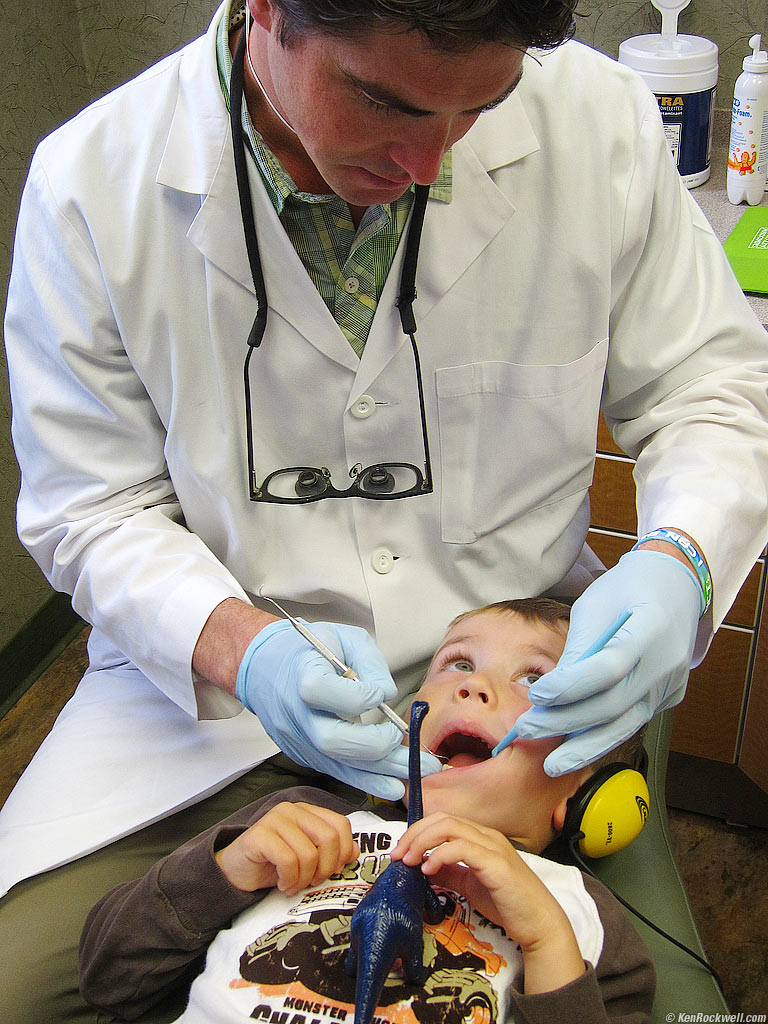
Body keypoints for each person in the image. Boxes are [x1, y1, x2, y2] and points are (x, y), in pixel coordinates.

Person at [2, 0, 768, 1015]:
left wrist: (683, 562)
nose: (428, 164)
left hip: (518, 692)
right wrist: (243, 648)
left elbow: (708, 390)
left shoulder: (601, 122)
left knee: (654, 997)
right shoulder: (91, 184)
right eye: (385, 102)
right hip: (216, 707)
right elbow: (92, 506)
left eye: (481, 108)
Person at [78, 599, 655, 1023]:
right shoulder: (296, 820)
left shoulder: (575, 913)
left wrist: (547, 942)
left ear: (582, 790)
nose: (474, 686)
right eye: (458, 663)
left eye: (534, 679)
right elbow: (110, 978)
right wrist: (225, 871)